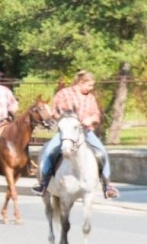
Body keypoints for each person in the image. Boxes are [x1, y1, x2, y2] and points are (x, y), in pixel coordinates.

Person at [37, 70, 116, 199]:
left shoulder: (90, 97)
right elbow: (54, 112)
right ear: (81, 82)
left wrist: (91, 119)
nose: (91, 88)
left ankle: (107, 185)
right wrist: (65, 118)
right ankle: (44, 183)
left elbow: (96, 114)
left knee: (102, 152)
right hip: (67, 132)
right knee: (49, 151)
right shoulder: (63, 94)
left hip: (86, 131)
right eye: (89, 85)